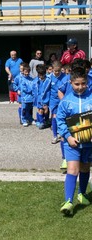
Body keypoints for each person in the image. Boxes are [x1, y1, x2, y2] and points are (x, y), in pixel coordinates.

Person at [57, 67, 92, 216]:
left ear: (87, 82)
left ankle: (82, 193)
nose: (80, 87)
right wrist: (68, 136)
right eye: (76, 84)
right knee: (72, 170)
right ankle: (68, 202)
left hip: (88, 143)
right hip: (72, 143)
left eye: (83, 83)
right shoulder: (66, 101)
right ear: (71, 82)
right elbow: (60, 120)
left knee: (85, 169)